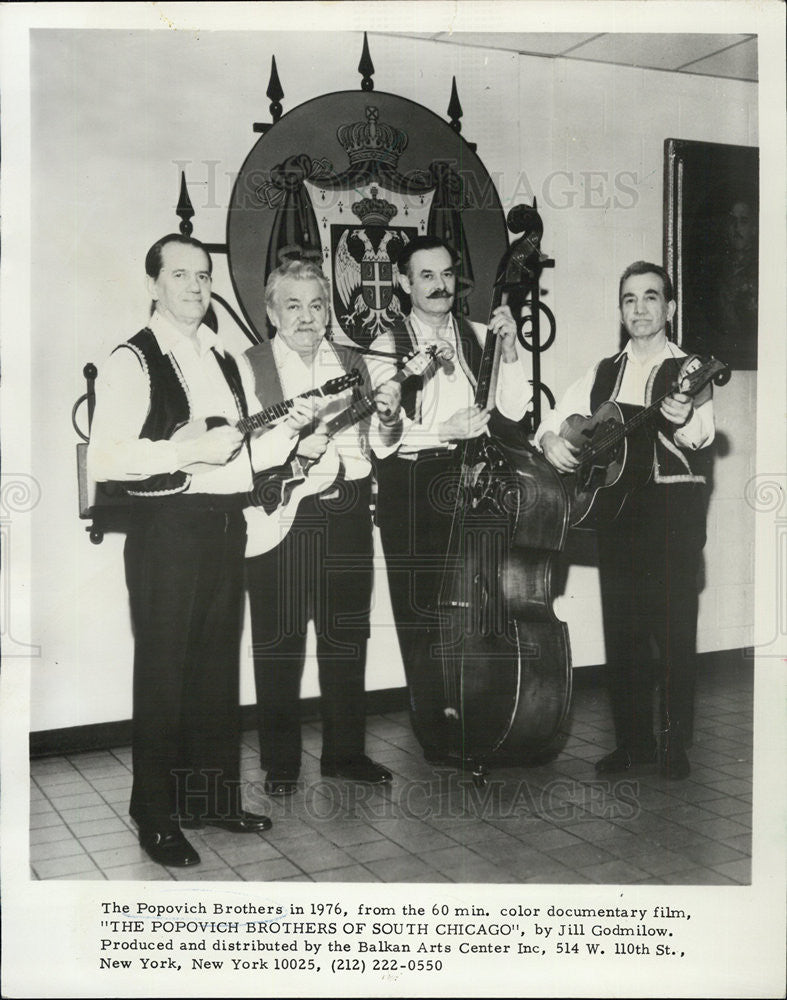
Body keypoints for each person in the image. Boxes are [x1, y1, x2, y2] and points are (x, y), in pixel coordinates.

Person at [87, 234, 312, 867]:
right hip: (167, 529)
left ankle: (212, 798)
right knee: (163, 673)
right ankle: (153, 812)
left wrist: (290, 435)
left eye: (203, 274)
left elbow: (242, 457)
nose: (195, 285)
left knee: (216, 669)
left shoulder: (226, 358)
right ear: (153, 283)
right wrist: (186, 451)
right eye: (180, 274)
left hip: (224, 524)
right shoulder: (130, 360)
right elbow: (108, 458)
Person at [535, 260, 715, 780]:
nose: (640, 308)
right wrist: (552, 443)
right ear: (620, 310)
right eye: (630, 299)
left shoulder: (689, 369)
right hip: (616, 514)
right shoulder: (603, 371)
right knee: (624, 633)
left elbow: (702, 433)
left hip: (671, 514)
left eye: (651, 297)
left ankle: (673, 744)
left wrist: (682, 421)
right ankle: (632, 743)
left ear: (670, 308)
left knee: (673, 632)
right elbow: (557, 419)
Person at [368, 235, 532, 763]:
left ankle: (482, 709)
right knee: (422, 612)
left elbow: (513, 409)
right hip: (414, 487)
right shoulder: (383, 345)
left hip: (478, 482)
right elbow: (383, 434)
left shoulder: (478, 334)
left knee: (481, 604)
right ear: (403, 282)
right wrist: (445, 430)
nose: (439, 286)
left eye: (446, 275)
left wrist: (510, 354)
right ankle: (434, 726)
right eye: (426, 276)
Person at [243, 259, 402, 797]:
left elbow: (382, 446)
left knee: (345, 638)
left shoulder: (356, 362)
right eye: (293, 305)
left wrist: (388, 419)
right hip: (282, 515)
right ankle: (281, 762)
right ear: (271, 313)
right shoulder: (249, 365)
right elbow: (240, 451)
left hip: (349, 511)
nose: (307, 317)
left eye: (316, 304)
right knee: (279, 643)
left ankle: (345, 754)